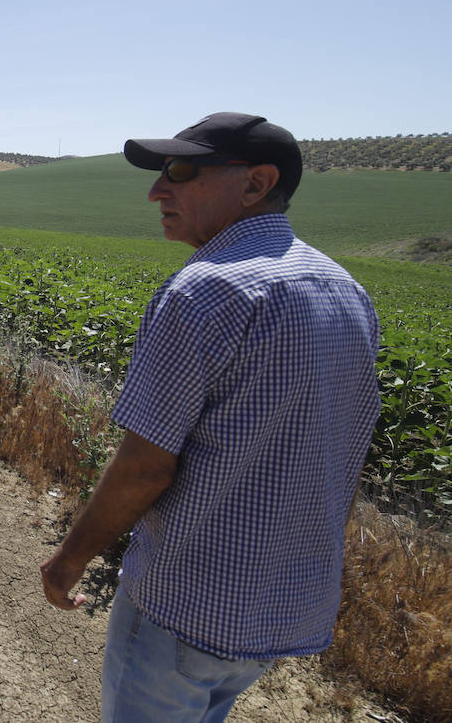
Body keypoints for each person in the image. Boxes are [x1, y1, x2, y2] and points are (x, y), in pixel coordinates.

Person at [39, 112, 381, 722]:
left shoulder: (203, 291)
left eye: (181, 169)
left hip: (188, 605)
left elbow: (145, 470)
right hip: (284, 609)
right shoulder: (346, 290)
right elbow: (343, 456)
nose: (157, 190)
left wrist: (69, 560)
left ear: (256, 183)